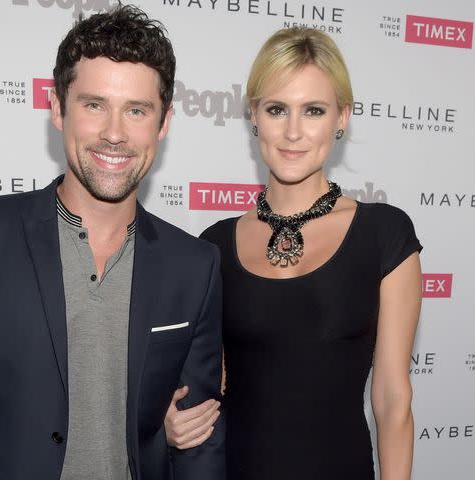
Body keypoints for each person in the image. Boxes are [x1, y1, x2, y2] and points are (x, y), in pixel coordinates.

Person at [0, 6, 225, 480]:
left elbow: (198, 438)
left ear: (164, 122)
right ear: (57, 108)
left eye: (136, 110)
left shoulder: (194, 264)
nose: (114, 133)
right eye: (94, 105)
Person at [164, 26, 422, 479]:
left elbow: (392, 398)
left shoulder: (385, 234)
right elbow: (200, 381)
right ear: (254, 116)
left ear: (342, 117)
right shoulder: (214, 244)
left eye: (314, 111)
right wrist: (169, 418)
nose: (293, 132)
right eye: (277, 109)